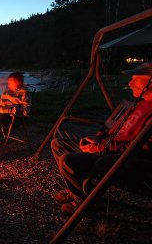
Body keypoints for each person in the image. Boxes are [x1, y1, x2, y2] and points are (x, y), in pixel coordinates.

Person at [51, 62, 152, 215]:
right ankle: (79, 192)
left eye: (135, 79)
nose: (130, 83)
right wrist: (97, 138)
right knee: (58, 144)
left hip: (122, 161)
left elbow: (140, 148)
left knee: (68, 160)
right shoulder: (140, 104)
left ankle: (84, 203)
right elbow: (114, 128)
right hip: (108, 150)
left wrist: (100, 148)